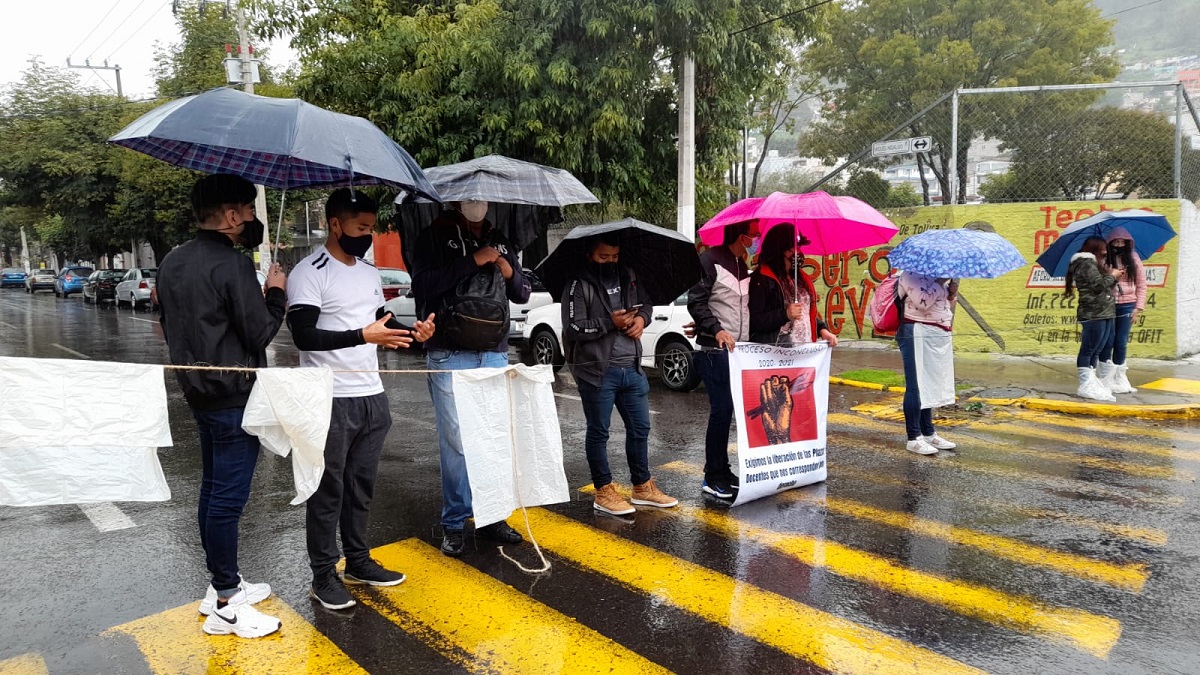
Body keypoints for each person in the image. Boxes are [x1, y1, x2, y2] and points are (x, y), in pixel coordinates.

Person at [286, 189, 435, 610]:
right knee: (327, 489)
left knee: (360, 487)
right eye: (361, 228)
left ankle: (358, 560)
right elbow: (303, 335)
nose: (368, 235)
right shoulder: (309, 272)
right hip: (328, 398)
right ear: (335, 224)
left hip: (371, 395)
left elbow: (374, 327)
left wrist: (411, 336)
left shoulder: (370, 273)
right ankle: (322, 574)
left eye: (371, 228)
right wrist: (361, 335)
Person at [156, 173, 286, 639]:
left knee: (213, 491)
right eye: (249, 211)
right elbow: (260, 333)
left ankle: (220, 585)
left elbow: (167, 325)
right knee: (228, 499)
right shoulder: (231, 265)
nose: (252, 220)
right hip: (233, 395)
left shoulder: (171, 261)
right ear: (232, 215)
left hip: (197, 391)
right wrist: (275, 292)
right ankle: (228, 602)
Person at [411, 200, 531, 556]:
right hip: (449, 350)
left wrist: (508, 270)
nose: (479, 205)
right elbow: (423, 286)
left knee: (492, 438)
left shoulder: (502, 239)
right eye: (472, 198)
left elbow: (522, 293)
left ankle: (492, 516)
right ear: (457, 201)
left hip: (494, 350)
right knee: (457, 442)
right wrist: (472, 261)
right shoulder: (432, 236)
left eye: (484, 198)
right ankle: (454, 522)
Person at [562, 234, 678, 515]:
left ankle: (642, 487)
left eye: (614, 256)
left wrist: (641, 320)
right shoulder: (579, 284)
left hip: (633, 369)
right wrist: (608, 323)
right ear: (590, 255)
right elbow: (573, 329)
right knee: (599, 432)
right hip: (597, 372)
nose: (610, 262)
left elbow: (647, 305)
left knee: (640, 428)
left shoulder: (629, 276)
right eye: (604, 257)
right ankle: (603, 491)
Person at [687, 221, 757, 500]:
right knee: (721, 410)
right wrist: (715, 329)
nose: (757, 239)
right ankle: (711, 476)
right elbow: (697, 301)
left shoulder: (742, 265)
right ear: (741, 236)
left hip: (739, 352)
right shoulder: (709, 260)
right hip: (713, 351)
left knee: (729, 413)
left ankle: (723, 469)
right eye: (754, 235)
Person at [895, 270, 959, 455]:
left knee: (929, 384)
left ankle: (928, 433)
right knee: (916, 385)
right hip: (916, 332)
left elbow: (940, 304)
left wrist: (951, 293)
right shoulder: (908, 275)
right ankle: (913, 437)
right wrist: (940, 283)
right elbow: (923, 303)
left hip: (934, 335)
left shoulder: (933, 277)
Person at [749, 224, 839, 348]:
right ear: (779, 250)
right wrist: (784, 315)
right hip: (777, 353)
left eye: (799, 248)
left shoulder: (799, 277)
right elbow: (754, 321)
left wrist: (822, 329)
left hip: (805, 350)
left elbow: (804, 312)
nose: (799, 253)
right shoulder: (761, 279)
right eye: (793, 249)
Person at [1065, 236, 1120, 402]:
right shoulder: (1085, 263)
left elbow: (1100, 284)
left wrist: (1110, 273)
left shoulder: (1094, 264)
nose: (1105, 251)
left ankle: (1092, 380)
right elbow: (1097, 286)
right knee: (1089, 348)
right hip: (1093, 313)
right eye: (1102, 248)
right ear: (1094, 248)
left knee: (1098, 348)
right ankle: (1085, 383)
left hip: (1104, 312)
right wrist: (1113, 276)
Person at [1098, 227, 1146, 394]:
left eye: (1122, 242)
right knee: (1107, 340)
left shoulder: (1133, 258)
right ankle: (1105, 377)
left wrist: (1138, 308)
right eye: (1115, 242)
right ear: (1110, 243)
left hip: (1127, 304)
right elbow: (1099, 283)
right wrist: (1111, 274)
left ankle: (1119, 377)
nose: (1119, 245)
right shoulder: (1104, 259)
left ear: (1127, 243)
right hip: (1108, 304)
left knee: (1121, 341)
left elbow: (1141, 284)